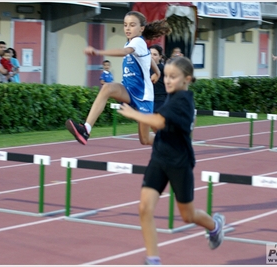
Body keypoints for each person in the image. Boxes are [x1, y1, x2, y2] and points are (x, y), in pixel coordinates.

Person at [117, 57, 225, 265]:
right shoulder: (170, 98)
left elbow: (158, 121)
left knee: (188, 215)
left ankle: (215, 225)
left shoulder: (183, 101)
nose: (167, 80)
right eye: (166, 76)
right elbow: (157, 127)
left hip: (179, 163)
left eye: (173, 77)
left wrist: (134, 113)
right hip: (159, 158)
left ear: (187, 79)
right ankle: (153, 259)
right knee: (144, 208)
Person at [66, 11, 171, 145]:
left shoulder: (137, 42)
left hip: (143, 97)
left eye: (132, 25)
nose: (127, 28)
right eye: (125, 25)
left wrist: (99, 52)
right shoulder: (135, 44)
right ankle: (86, 129)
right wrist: (157, 72)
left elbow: (124, 52)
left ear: (141, 28)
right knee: (107, 88)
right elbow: (147, 57)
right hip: (128, 91)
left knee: (144, 139)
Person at [149, 44, 167, 112]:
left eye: (155, 54)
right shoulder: (145, 68)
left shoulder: (163, 69)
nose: (151, 56)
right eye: (150, 54)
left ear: (160, 57)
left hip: (160, 100)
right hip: (148, 99)